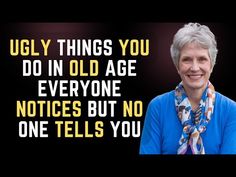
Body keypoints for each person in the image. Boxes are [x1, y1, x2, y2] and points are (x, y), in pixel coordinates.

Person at [139, 23, 236, 154]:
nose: (195, 68)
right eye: (187, 60)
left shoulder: (231, 110)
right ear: (177, 66)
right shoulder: (157, 107)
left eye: (202, 59)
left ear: (212, 65)